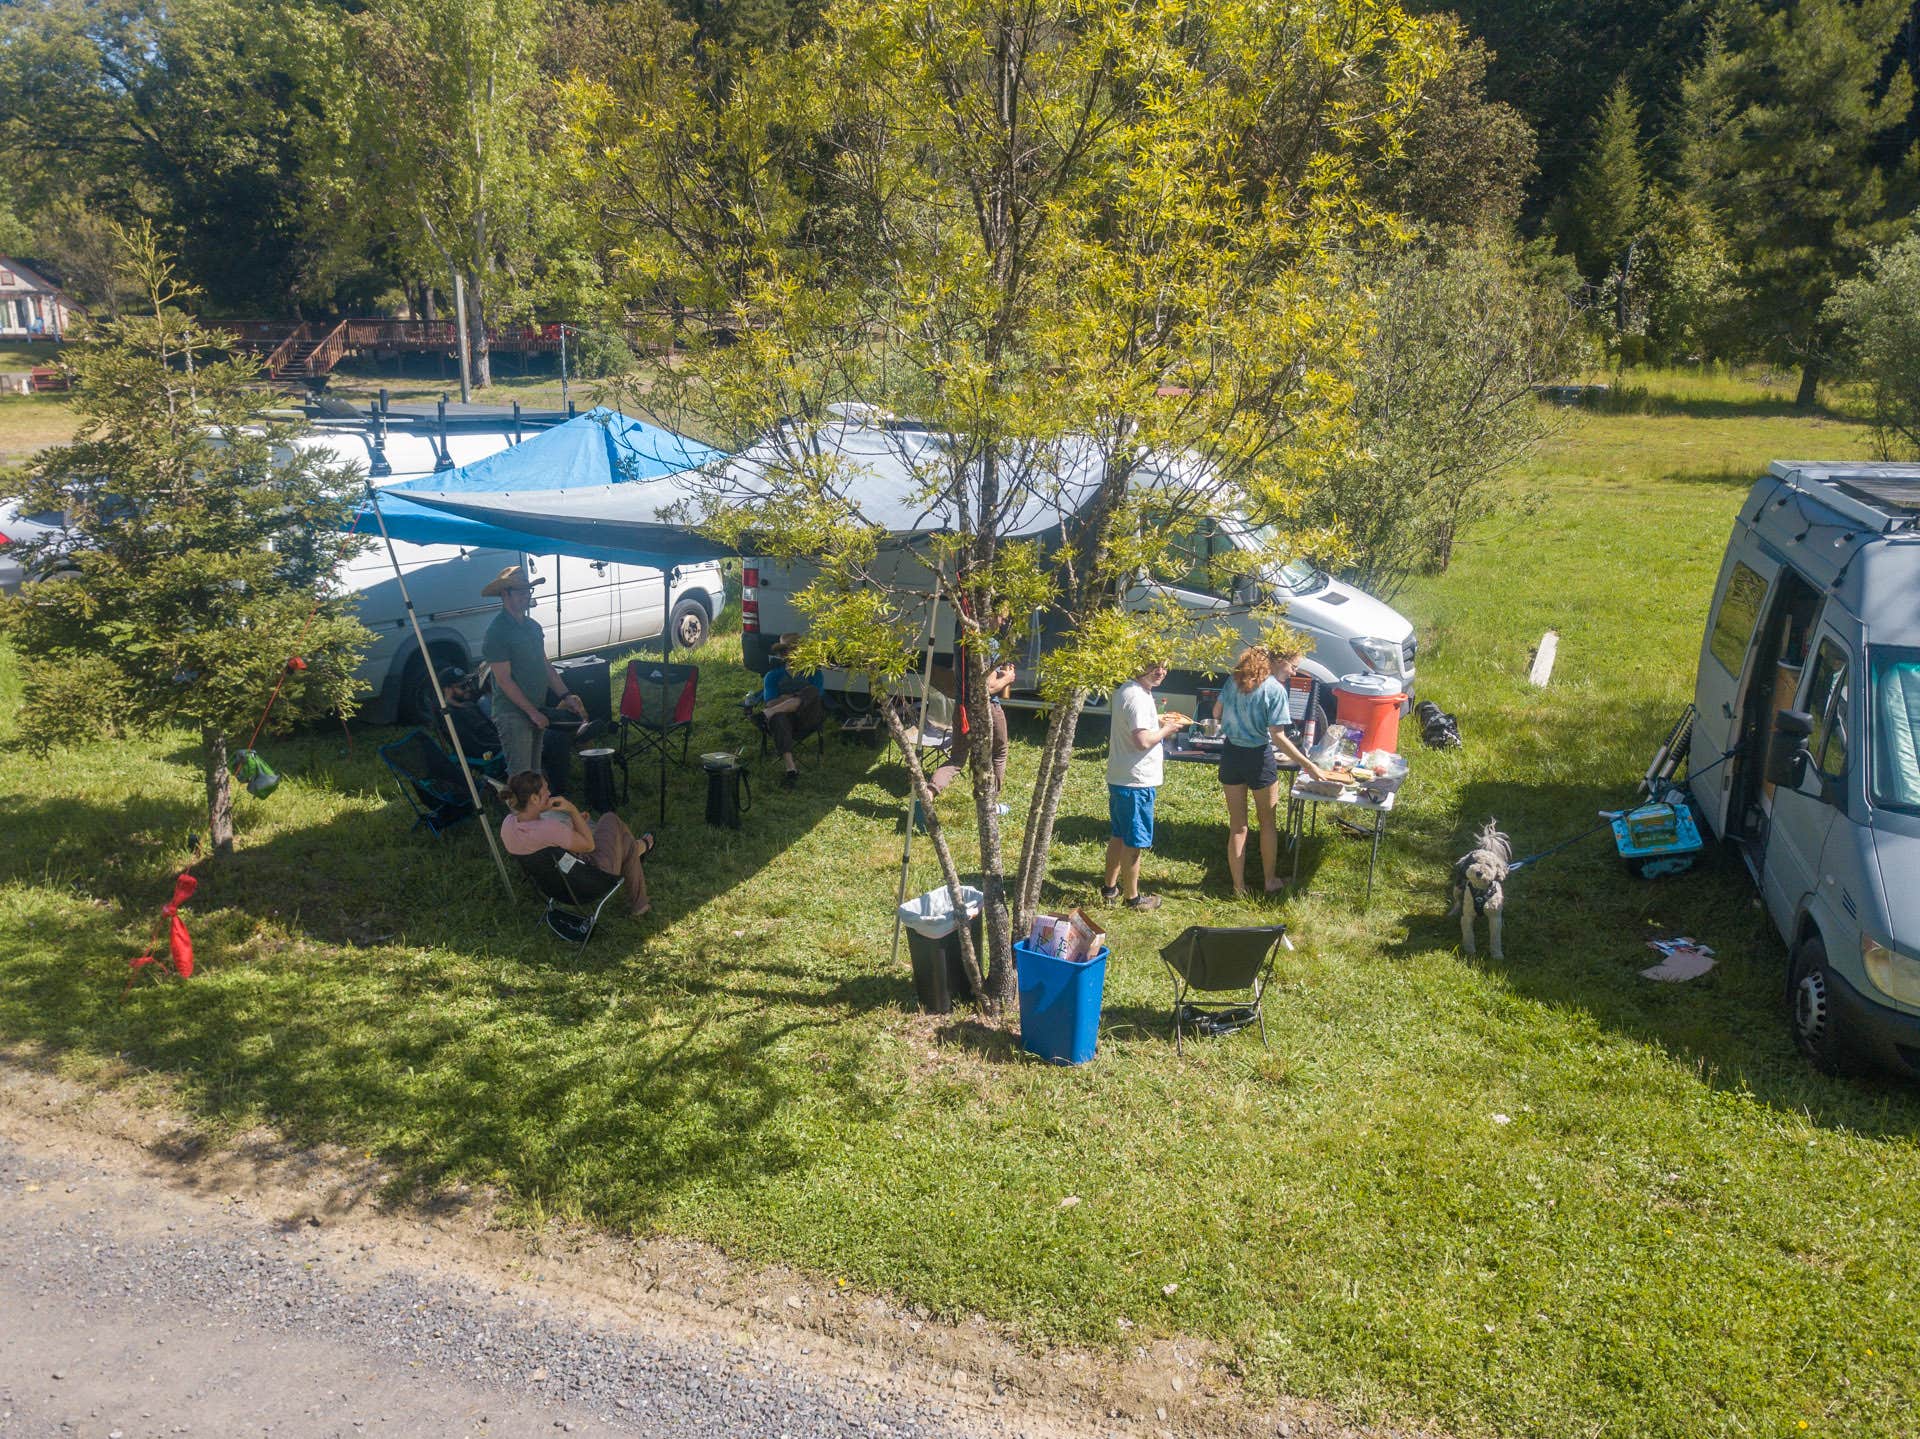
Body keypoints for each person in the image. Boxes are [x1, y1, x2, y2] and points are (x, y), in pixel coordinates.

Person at [1211, 647, 1330, 897]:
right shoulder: (1274, 689)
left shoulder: (1234, 680)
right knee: (1267, 824)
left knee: (1238, 826)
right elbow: (1278, 737)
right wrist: (1307, 764)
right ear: (1278, 662)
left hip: (1231, 755)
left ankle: (1238, 887)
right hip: (1258, 757)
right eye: (1293, 666)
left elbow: (1216, 713)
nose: (1294, 671)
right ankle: (1270, 881)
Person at [499, 770, 655, 918]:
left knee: (625, 844)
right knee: (610, 819)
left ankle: (640, 901)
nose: (549, 793)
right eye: (545, 790)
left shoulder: (508, 825)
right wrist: (572, 811)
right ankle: (640, 848)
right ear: (534, 798)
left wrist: (575, 824)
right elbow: (589, 846)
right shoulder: (550, 829)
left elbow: (551, 841)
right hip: (591, 881)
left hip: (554, 889)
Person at [480, 566, 587, 777]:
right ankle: (517, 811)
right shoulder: (497, 632)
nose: (525, 595)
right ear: (504, 594)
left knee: (535, 773)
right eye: (519, 591)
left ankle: (534, 810)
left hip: (537, 708)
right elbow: (504, 680)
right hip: (512, 713)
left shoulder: (533, 627)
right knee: (521, 776)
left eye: (527, 590)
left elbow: (546, 667)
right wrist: (531, 712)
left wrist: (566, 696)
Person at [1101, 657, 1188, 911]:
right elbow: (1141, 740)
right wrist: (1168, 730)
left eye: (1164, 666)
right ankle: (1133, 898)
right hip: (1136, 781)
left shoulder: (1128, 689)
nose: (1160, 671)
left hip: (1121, 776)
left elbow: (1135, 724)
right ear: (1138, 665)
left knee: (1118, 835)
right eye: (1154, 666)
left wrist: (1158, 720)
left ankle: (1109, 888)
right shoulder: (1138, 697)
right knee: (1134, 841)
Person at [927, 610, 1015, 807]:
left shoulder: (962, 639)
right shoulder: (989, 644)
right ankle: (992, 803)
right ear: (989, 616)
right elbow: (989, 688)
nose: (1002, 623)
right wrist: (1008, 678)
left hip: (962, 708)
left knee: (957, 759)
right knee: (999, 753)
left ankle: (929, 792)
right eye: (1001, 618)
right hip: (988, 708)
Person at [760, 633, 827, 789]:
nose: (792, 654)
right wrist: (792, 700)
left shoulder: (814, 673)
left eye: (797, 650)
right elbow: (770, 702)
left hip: (809, 717)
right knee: (777, 718)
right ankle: (791, 769)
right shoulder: (772, 676)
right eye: (789, 651)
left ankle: (768, 715)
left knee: (811, 691)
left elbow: (816, 696)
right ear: (783, 654)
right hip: (787, 721)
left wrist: (784, 697)